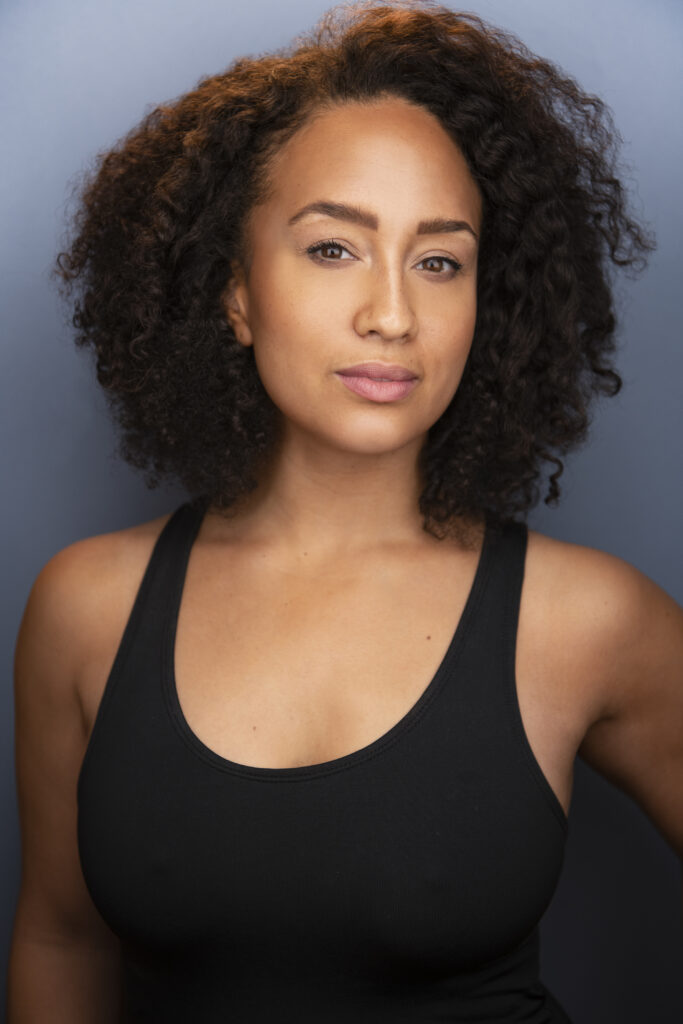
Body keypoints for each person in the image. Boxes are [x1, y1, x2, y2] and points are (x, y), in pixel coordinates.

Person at [7, 1, 683, 1021]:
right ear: (234, 292)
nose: (392, 314)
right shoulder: (86, 608)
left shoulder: (588, 620)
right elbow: (60, 936)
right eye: (333, 249)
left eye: (438, 261)